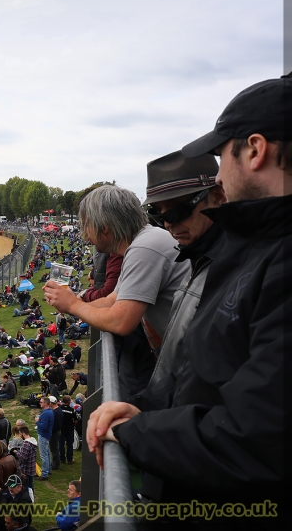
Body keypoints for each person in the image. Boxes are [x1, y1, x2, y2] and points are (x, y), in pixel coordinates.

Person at [86, 75, 289, 515]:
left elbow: (258, 437)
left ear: (255, 150)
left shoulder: (273, 256)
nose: (218, 175)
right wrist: (145, 410)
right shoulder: (245, 246)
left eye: (221, 155)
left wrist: (139, 433)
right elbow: (200, 365)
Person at [43, 184, 189, 398]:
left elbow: (120, 321)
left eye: (87, 225)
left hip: (190, 370)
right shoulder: (141, 243)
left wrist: (73, 304)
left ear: (105, 226)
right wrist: (72, 305)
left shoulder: (144, 249)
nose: (84, 235)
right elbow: (113, 299)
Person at [141, 151, 225, 391]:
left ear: (219, 196)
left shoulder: (234, 266)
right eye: (156, 214)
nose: (168, 223)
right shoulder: (195, 257)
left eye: (177, 210)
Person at [36, 398, 54, 480]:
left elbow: (43, 426)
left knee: (44, 455)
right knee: (47, 453)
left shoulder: (46, 413)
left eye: (41, 402)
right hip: (47, 435)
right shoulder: (49, 412)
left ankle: (44, 474)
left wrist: (37, 421)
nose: (40, 403)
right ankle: (48, 470)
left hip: (43, 435)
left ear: (46, 403)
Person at [59, 396, 76, 465]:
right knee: (70, 444)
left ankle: (62, 459)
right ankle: (70, 459)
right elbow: (76, 420)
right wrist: (73, 425)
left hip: (61, 429)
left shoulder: (59, 409)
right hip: (70, 429)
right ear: (69, 401)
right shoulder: (72, 410)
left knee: (61, 444)